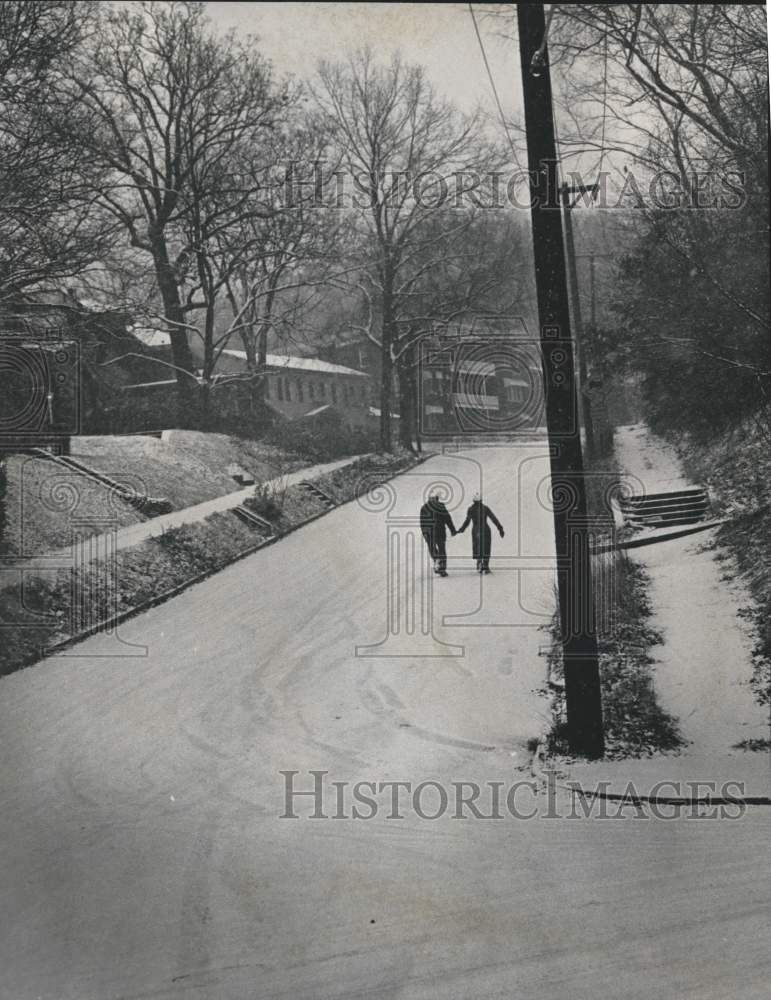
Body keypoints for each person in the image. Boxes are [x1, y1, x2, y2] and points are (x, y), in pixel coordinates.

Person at [458, 493, 504, 573]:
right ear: (481, 500)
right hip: (485, 529)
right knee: (486, 547)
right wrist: (500, 528)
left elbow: (467, 521)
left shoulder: (471, 509)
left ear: (473, 501)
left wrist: (461, 529)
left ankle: (479, 561)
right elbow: (493, 519)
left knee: (477, 546)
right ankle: (485, 566)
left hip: (476, 530)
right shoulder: (485, 508)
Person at [419, 492, 456, 577]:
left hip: (430, 533)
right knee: (441, 550)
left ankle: (438, 562)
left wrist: (424, 532)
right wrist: (452, 529)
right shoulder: (439, 507)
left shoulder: (424, 508)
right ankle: (441, 566)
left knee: (433, 549)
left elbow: (422, 522)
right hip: (438, 532)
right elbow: (448, 519)